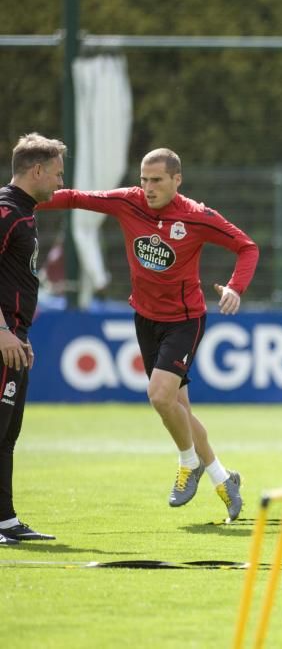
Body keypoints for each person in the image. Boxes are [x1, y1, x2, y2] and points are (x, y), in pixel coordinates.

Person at [37, 148, 259, 522]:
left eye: (157, 180)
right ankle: (224, 479)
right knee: (179, 409)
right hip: (145, 318)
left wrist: (236, 287)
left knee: (159, 395)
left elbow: (246, 247)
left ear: (177, 180)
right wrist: (23, 198)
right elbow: (74, 197)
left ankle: (189, 462)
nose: (148, 187)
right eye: (144, 179)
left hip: (185, 320)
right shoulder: (129, 202)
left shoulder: (198, 217)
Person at [0, 133, 66, 546]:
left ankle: (5, 520)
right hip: (3, 335)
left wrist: (18, 334)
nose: (61, 182)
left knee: (8, 434)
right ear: (37, 170)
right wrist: (2, 331)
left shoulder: (23, 212)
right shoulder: (5, 212)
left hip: (14, 336)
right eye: (57, 174)